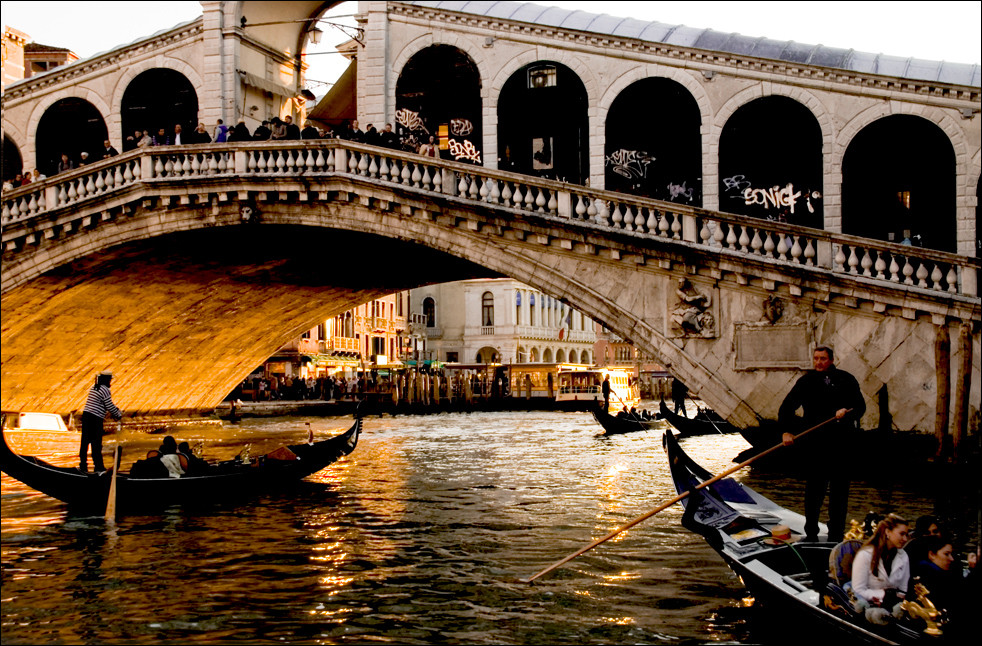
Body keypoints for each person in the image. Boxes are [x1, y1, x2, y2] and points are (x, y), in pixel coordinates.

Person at [780, 345, 865, 542]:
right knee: (814, 492)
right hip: (814, 445)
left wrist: (847, 412)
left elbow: (860, 407)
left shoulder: (847, 379)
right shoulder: (806, 381)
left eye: (823, 359)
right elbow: (786, 407)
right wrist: (786, 431)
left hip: (841, 444)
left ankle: (836, 534)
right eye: (816, 358)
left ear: (832, 360)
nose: (818, 362)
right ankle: (811, 533)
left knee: (839, 493)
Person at [851, 513, 910, 625]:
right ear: (888, 532)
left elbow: (903, 589)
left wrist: (897, 599)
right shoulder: (865, 555)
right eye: (902, 534)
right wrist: (883, 595)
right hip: (868, 609)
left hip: (893, 607)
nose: (905, 539)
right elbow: (858, 590)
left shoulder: (904, 556)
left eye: (907, 535)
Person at [79, 370, 122, 472]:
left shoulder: (94, 388)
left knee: (85, 442)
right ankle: (98, 467)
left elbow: (102, 405)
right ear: (106, 380)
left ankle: (83, 466)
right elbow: (108, 405)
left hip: (86, 416)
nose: (110, 382)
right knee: (96, 444)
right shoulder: (105, 389)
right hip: (95, 419)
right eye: (109, 380)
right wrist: (118, 414)